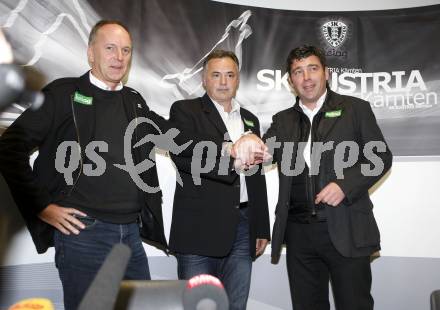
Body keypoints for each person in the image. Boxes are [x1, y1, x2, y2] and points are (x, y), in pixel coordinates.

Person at [265, 45, 393, 310]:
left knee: (354, 304)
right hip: (299, 233)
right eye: (298, 72)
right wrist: (246, 142)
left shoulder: (355, 109)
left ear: (327, 73)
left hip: (346, 227)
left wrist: (345, 185)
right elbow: (264, 152)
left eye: (313, 69)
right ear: (291, 81)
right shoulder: (282, 120)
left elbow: (380, 158)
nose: (306, 77)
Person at [168, 50, 270, 310]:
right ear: (204, 79)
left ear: (237, 80)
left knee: (236, 305)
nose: (223, 82)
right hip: (198, 231)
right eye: (216, 75)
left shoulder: (250, 119)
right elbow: (183, 154)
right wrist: (231, 151)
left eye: (230, 75)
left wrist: (261, 226)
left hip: (244, 227)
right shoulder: (185, 110)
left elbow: (256, 175)